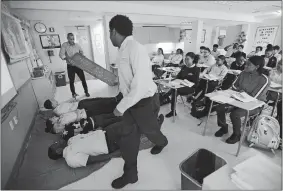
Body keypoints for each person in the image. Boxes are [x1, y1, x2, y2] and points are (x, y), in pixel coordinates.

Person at [108, 15, 168, 189]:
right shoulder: (122, 50)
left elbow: (140, 86)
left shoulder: (136, 49)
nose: (109, 36)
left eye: (109, 33)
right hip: (130, 102)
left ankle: (162, 142)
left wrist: (120, 107)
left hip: (144, 102)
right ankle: (130, 175)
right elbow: (129, 79)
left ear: (113, 31)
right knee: (128, 138)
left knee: (150, 132)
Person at [214, 56, 269, 144]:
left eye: (248, 65)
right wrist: (240, 92)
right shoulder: (243, 73)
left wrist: (241, 92)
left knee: (235, 114)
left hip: (254, 104)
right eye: (246, 63)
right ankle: (224, 127)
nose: (245, 65)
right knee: (220, 107)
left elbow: (255, 96)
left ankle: (237, 134)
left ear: (257, 66)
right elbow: (234, 85)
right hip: (238, 99)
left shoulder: (263, 79)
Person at [165, 52, 201, 118]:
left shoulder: (196, 69)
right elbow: (179, 77)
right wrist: (174, 78)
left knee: (174, 91)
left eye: (187, 59)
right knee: (173, 89)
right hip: (181, 85)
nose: (185, 61)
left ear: (193, 59)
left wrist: (186, 82)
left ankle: (167, 99)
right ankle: (171, 107)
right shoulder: (184, 67)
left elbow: (196, 83)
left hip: (190, 87)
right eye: (185, 59)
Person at [59, 33, 90, 98]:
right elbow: (61, 55)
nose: (72, 40)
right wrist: (66, 58)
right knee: (71, 81)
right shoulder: (64, 45)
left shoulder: (77, 45)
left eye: (73, 39)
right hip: (70, 66)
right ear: (67, 39)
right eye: (71, 39)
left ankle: (86, 92)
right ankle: (73, 93)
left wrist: (81, 55)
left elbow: (81, 51)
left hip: (78, 65)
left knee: (83, 79)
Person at [44, 93, 123, 116]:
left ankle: (114, 99)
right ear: (52, 105)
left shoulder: (58, 107)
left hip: (80, 103)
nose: (54, 100)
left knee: (98, 99)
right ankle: (116, 101)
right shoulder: (59, 110)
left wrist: (73, 98)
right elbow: (71, 111)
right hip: (82, 107)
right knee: (99, 103)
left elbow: (67, 102)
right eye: (53, 101)